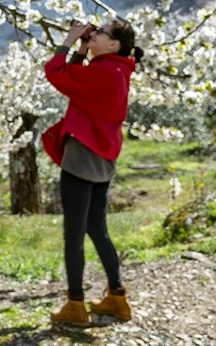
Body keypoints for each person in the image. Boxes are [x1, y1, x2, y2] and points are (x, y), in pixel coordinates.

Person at [41, 18, 144, 328]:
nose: (94, 34)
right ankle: (117, 297)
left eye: (100, 33)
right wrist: (83, 50)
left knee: (73, 233)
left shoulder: (104, 72)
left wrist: (69, 41)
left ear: (113, 44)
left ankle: (75, 305)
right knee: (97, 229)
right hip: (102, 158)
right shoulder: (117, 70)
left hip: (82, 157)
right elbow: (74, 80)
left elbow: (57, 74)